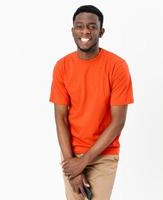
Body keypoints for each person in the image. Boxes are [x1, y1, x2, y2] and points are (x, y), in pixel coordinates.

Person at [49, 5, 134, 200]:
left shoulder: (117, 66)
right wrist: (73, 165)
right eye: (79, 26)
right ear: (73, 31)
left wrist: (84, 161)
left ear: (101, 31)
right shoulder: (62, 66)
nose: (85, 31)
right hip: (71, 153)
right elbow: (60, 118)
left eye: (91, 27)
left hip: (104, 154)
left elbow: (118, 121)